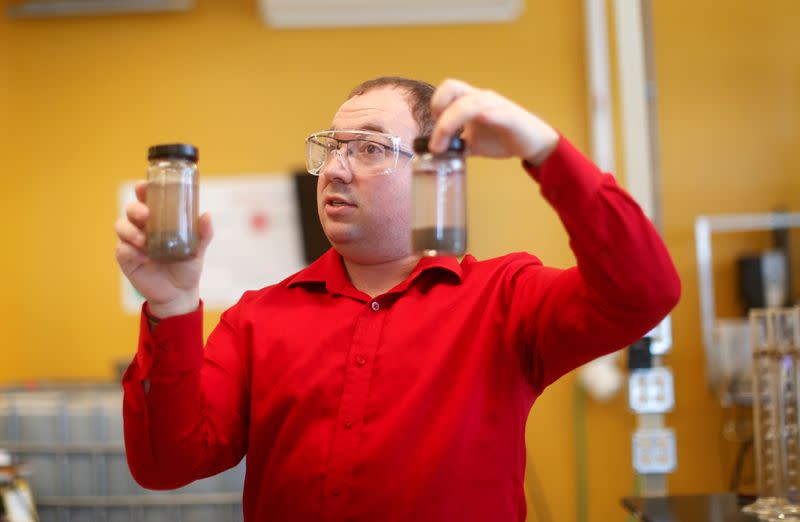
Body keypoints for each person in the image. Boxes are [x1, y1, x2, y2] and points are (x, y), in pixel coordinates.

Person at [115, 76, 680, 521]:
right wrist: (173, 305)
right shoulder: (259, 318)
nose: (335, 169)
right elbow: (166, 464)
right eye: (331, 148)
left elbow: (645, 291)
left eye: (367, 149)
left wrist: (545, 150)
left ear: (434, 171)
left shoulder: (503, 300)